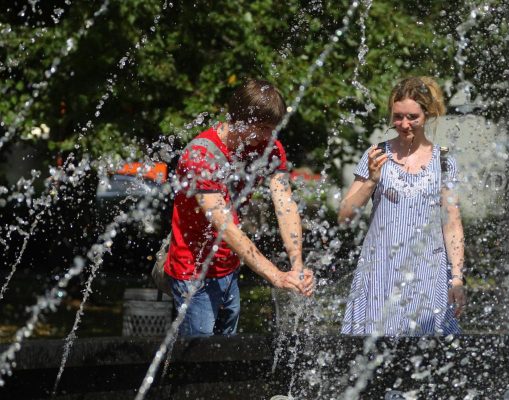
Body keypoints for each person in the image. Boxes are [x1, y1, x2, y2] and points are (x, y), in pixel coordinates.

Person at [164, 79, 314, 337]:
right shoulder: (202, 155)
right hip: (193, 274)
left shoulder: (268, 149)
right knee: (199, 363)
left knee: (226, 357)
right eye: (263, 128)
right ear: (239, 119)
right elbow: (225, 227)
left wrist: (297, 263)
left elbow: (285, 206)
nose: (269, 136)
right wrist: (275, 276)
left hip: (229, 269)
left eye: (273, 128)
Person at [338, 76, 465, 336]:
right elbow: (345, 216)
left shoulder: (443, 162)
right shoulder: (376, 156)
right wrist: (372, 181)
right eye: (397, 117)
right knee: (371, 361)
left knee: (428, 361)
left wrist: (457, 277)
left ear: (427, 115)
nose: (403, 125)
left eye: (412, 117)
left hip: (428, 276)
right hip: (380, 276)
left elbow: (452, 223)